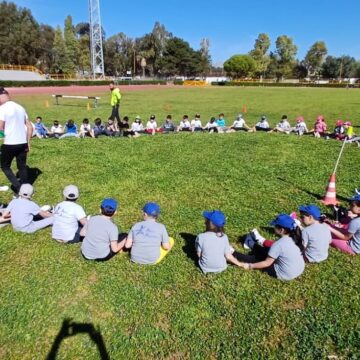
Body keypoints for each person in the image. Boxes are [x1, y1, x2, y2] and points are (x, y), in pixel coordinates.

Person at [236, 214, 305, 280]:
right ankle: (251, 243)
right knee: (269, 251)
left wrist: (249, 266)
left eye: (275, 226)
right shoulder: (296, 238)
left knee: (257, 259)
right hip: (298, 270)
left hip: (284, 274)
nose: (274, 227)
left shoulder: (279, 244)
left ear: (282, 230)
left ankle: (232, 253)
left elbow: (266, 263)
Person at [0, 87, 33, 193]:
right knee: (22, 166)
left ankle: (18, 187)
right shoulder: (20, 107)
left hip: (10, 143)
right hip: (22, 142)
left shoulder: (2, 108)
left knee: (5, 166)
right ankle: (26, 189)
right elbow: (29, 126)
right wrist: (28, 142)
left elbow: (0, 126)